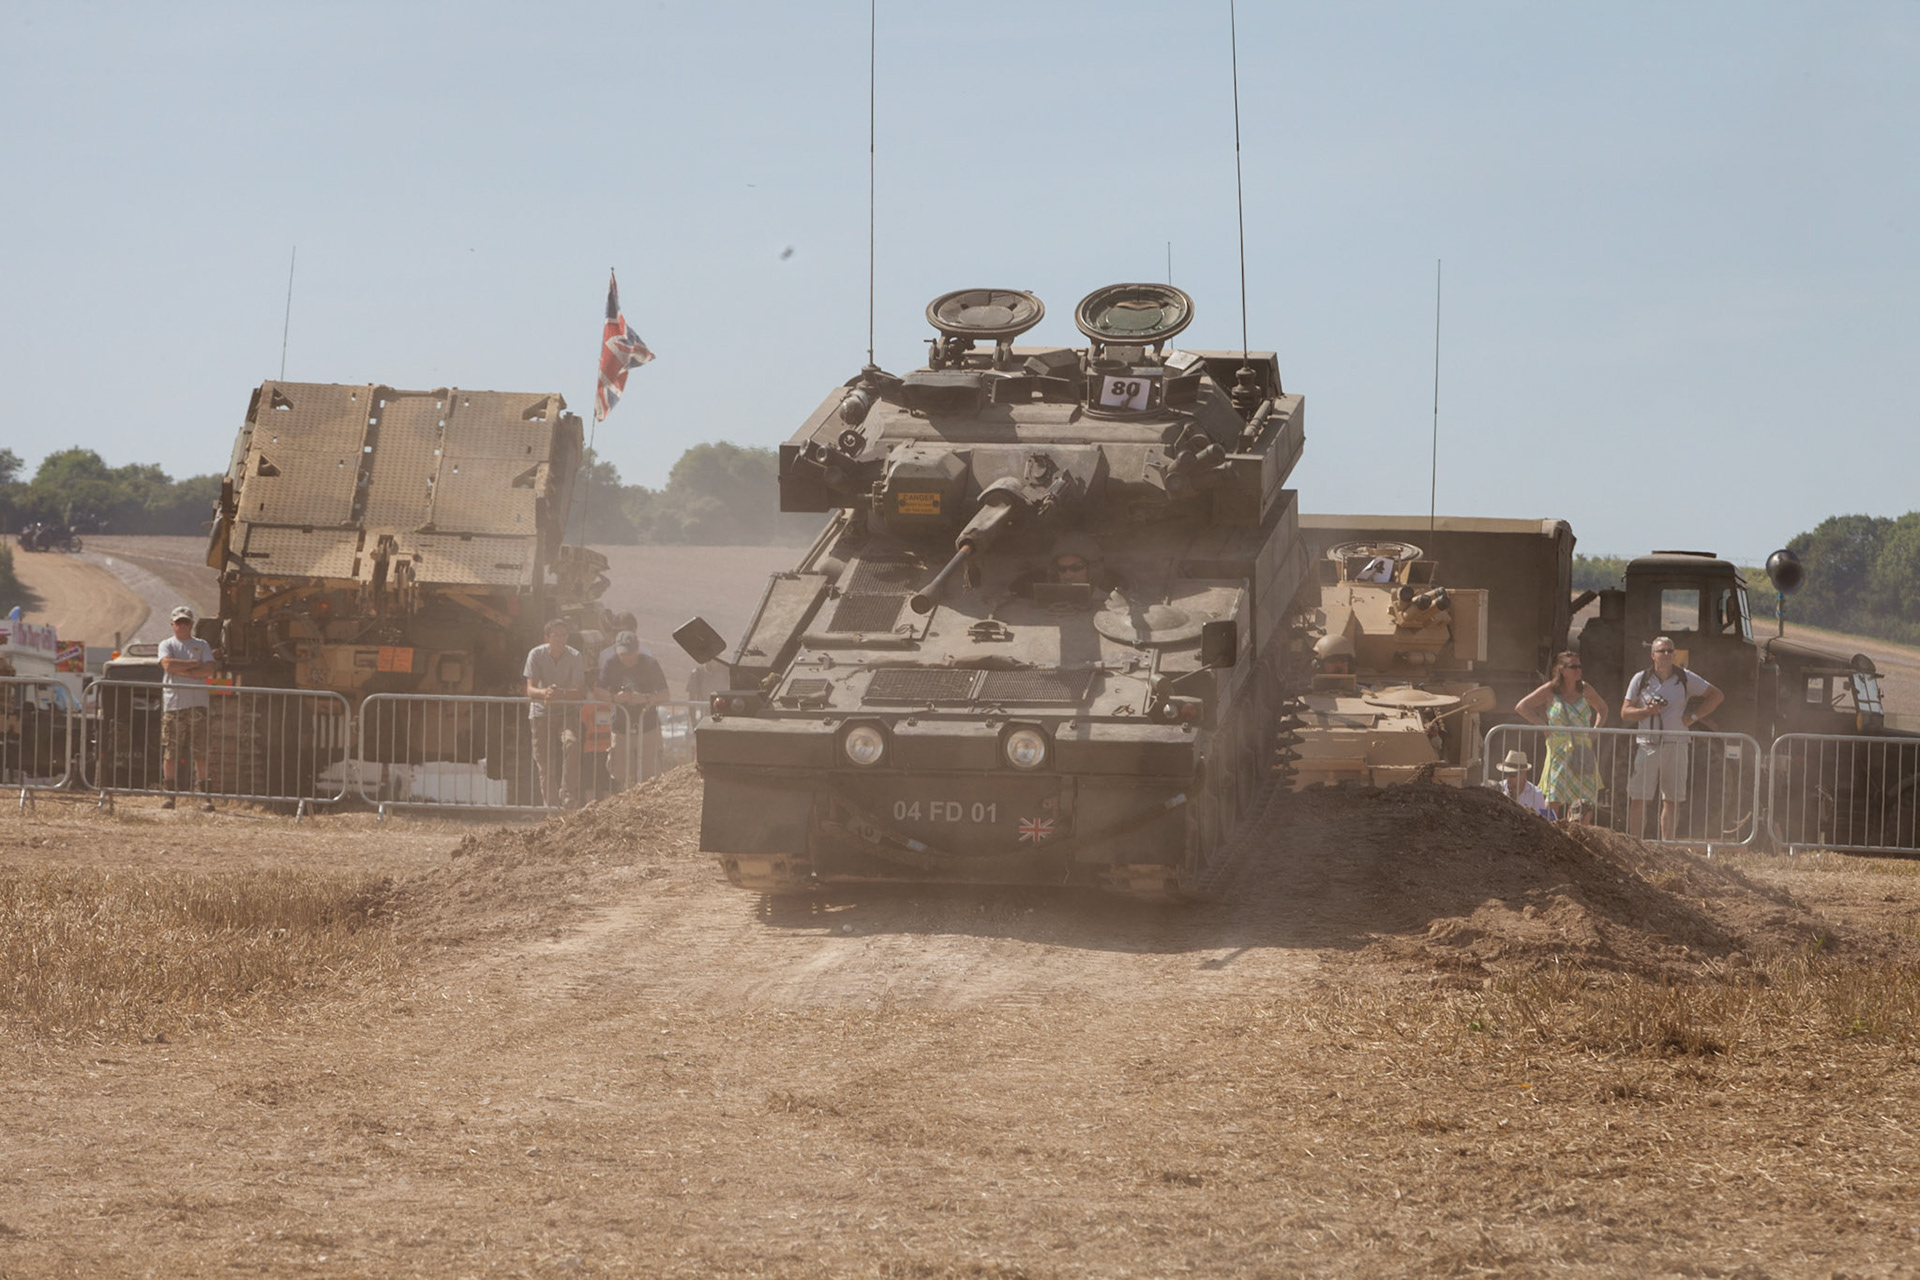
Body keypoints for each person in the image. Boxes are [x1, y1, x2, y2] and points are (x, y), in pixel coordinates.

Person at [1622, 636, 1724, 841]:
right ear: (1653, 655)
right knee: (1639, 798)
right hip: (1648, 744)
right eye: (1662, 651)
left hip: (1676, 744)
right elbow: (1625, 712)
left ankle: (1667, 846)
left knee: (1672, 799)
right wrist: (1647, 711)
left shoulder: (1685, 677)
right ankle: (1634, 844)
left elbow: (1717, 695)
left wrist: (1693, 717)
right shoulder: (1640, 678)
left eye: (1670, 651)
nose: (1667, 654)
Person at [1516, 650, 1608, 821]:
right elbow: (1522, 706)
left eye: (1579, 666)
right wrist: (1543, 726)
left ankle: (1577, 832)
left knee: (1584, 799)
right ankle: (1549, 830)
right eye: (1573, 666)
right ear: (1562, 669)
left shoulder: (1585, 689)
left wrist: (1595, 730)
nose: (1578, 670)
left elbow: (1603, 709)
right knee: (1554, 796)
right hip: (1558, 749)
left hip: (1582, 749)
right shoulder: (1551, 690)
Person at [156, 604, 217, 811]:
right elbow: (167, 665)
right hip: (174, 705)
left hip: (198, 705)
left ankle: (205, 796)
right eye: (179, 622)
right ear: (172, 624)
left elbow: (209, 669)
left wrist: (182, 669)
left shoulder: (202, 645)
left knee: (201, 752)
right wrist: (193, 665)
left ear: (191, 624)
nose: (183, 626)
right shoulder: (167, 644)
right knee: (171, 752)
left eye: (186, 622)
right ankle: (169, 795)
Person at [524, 619, 586, 808]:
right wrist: (545, 693)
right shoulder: (536, 654)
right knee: (545, 763)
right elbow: (530, 689)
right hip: (541, 713)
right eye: (556, 635)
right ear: (547, 638)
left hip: (567, 712)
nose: (561, 639)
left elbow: (579, 691)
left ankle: (568, 795)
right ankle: (550, 808)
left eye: (564, 635)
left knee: (572, 744)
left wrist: (562, 694)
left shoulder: (575, 656)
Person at [598, 630, 669, 790]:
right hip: (621, 728)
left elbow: (665, 694)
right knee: (620, 776)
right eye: (623, 654)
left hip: (648, 728)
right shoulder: (611, 663)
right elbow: (598, 690)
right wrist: (614, 698)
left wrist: (645, 698)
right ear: (617, 650)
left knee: (650, 777)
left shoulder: (650, 664)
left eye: (630, 653)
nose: (627, 658)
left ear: (637, 649)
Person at [1492, 749, 1553, 818]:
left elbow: (1543, 820)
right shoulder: (1498, 789)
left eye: (1512, 774)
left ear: (1524, 773)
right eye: (1506, 773)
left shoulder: (1536, 795)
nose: (1508, 778)